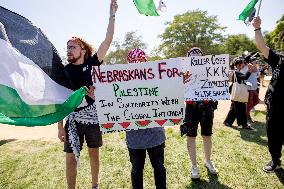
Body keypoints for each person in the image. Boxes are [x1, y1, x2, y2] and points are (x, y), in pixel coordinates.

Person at [57, 1, 118, 189]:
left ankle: (94, 185)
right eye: (67, 47)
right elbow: (58, 100)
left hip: (93, 117)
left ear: (82, 50)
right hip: (72, 120)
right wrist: (60, 127)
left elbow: (108, 40)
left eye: (73, 47)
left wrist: (112, 14)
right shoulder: (63, 71)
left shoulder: (93, 63)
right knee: (70, 160)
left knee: (94, 154)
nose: (69, 49)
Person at [125, 48, 167, 189]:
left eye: (140, 62)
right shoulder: (122, 85)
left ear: (146, 63)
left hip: (155, 133)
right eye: (133, 62)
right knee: (137, 169)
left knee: (159, 167)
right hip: (134, 136)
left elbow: (170, 93)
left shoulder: (157, 81)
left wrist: (181, 83)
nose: (137, 65)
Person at [180, 47, 218, 179]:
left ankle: (208, 160)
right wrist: (182, 80)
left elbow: (218, 83)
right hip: (191, 107)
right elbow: (178, 88)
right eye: (192, 56)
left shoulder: (210, 69)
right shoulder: (184, 71)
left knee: (207, 135)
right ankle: (194, 165)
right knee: (191, 136)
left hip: (207, 106)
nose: (195, 57)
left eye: (198, 55)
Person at [253, 16, 284, 173]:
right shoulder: (279, 60)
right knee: (273, 134)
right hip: (275, 106)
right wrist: (257, 28)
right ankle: (275, 160)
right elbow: (261, 46)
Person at [224, 58, 255, 130]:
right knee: (241, 109)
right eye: (242, 63)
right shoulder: (236, 72)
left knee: (235, 109)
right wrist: (250, 70)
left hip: (237, 94)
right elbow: (245, 77)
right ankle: (244, 124)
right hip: (239, 94)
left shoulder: (235, 72)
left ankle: (228, 122)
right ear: (238, 65)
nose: (243, 65)